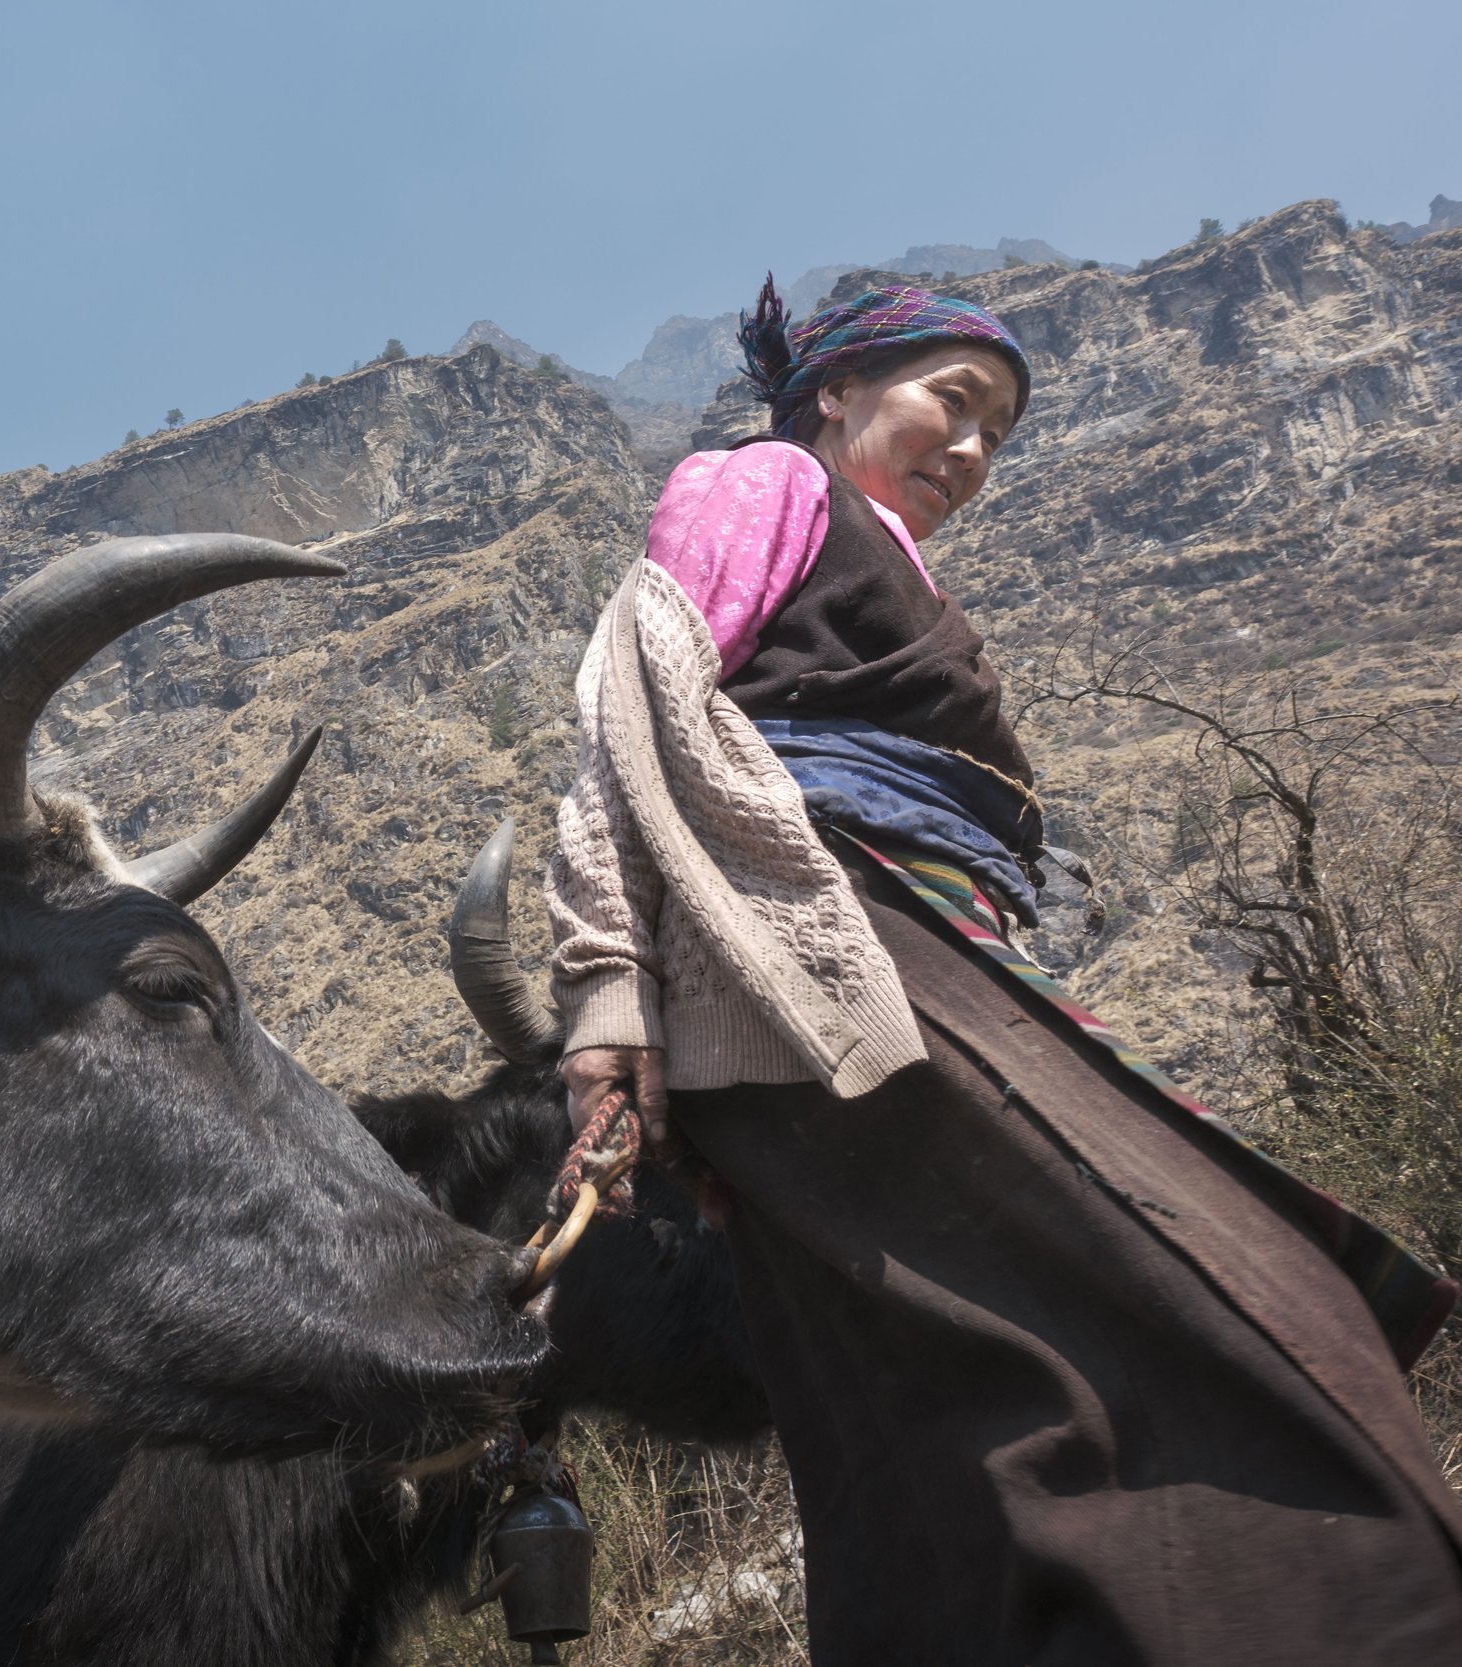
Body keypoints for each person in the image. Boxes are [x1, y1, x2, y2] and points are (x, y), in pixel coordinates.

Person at [544, 278, 1462, 1664]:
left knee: (954, 1418)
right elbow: (628, 704)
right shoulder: (765, 479)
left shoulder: (875, 551)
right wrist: (606, 987)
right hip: (835, 955)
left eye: (998, 432)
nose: (971, 450)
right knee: (1252, 1300)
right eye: (950, 402)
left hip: (893, 960)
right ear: (836, 393)